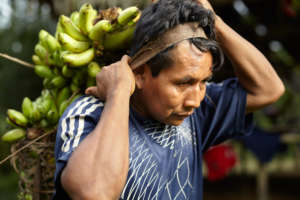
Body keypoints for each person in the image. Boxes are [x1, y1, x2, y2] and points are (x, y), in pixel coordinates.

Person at [53, 0, 285, 199]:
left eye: (203, 81)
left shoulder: (197, 113)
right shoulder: (88, 113)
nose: (194, 100)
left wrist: (216, 23)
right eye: (183, 83)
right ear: (141, 73)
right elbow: (94, 193)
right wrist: (119, 93)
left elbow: (267, 89)